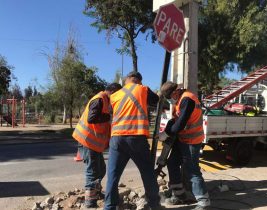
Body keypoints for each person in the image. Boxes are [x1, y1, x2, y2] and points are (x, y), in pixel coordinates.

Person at [104, 71, 162, 210]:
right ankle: (154, 205)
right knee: (147, 172)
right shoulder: (143, 89)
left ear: (127, 80)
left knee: (113, 175)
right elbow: (156, 101)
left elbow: (113, 112)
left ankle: (109, 207)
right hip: (136, 138)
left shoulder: (115, 95)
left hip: (117, 138)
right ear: (138, 80)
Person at [158, 81, 210, 210]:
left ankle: (204, 201)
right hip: (182, 140)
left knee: (192, 171)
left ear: (175, 91)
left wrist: (167, 133)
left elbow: (180, 124)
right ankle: (179, 194)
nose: (171, 100)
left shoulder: (187, 99)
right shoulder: (181, 100)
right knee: (172, 163)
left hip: (192, 141)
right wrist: (165, 131)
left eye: (170, 97)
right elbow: (174, 120)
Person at [72, 83, 122, 208]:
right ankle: (90, 200)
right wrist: (109, 116)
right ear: (112, 92)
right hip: (87, 140)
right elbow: (91, 118)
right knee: (93, 171)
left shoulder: (105, 100)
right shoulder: (99, 99)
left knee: (101, 169)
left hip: (94, 143)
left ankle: (96, 193)